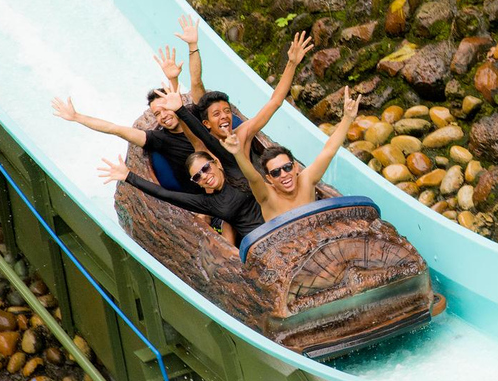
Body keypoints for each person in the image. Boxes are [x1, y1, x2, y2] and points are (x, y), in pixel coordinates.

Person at [51, 14, 205, 193]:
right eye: (157, 114)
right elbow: (115, 129)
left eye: (165, 109)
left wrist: (192, 47)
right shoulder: (159, 139)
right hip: (201, 193)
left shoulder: (192, 115)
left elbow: (196, 83)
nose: (163, 115)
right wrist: (77, 117)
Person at [156, 31, 314, 182]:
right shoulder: (203, 145)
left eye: (226, 111)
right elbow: (181, 112)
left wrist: (292, 63)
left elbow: (275, 101)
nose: (224, 116)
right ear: (206, 124)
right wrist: (174, 80)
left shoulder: (243, 133)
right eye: (216, 114)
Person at [219, 86, 360, 222]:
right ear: (269, 179)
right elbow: (253, 178)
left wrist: (347, 118)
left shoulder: (306, 180)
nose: (283, 174)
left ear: (296, 167)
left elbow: (328, 152)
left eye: (287, 167)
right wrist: (238, 153)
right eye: (275, 173)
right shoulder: (267, 196)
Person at [98, 151, 264, 242]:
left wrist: (180, 110)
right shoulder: (208, 203)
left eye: (205, 168)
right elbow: (165, 194)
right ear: (197, 183)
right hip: (256, 241)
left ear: (216, 163)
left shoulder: (235, 172)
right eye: (198, 176)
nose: (204, 176)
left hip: (277, 221)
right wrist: (129, 176)